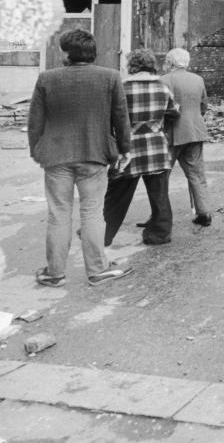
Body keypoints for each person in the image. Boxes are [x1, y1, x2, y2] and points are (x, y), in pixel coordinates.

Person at [28, 29, 134, 287]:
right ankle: (97, 269)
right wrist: (125, 149)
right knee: (93, 214)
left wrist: (37, 150)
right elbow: (121, 117)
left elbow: (35, 123)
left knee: (58, 214)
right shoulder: (110, 77)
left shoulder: (46, 78)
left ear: (66, 53)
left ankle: (54, 274)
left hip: (56, 158)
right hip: (95, 155)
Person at [103, 49, 180, 246]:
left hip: (128, 147)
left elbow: (112, 117)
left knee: (117, 194)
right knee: (159, 193)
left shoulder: (121, 88)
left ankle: (103, 234)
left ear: (132, 66)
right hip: (156, 146)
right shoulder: (163, 87)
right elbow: (173, 112)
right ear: (151, 65)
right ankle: (160, 233)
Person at [160, 47, 213, 227]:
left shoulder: (164, 80)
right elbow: (204, 105)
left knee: (161, 177)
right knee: (197, 174)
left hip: (171, 134)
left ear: (170, 62)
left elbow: (161, 109)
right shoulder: (198, 79)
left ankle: (161, 217)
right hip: (195, 131)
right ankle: (204, 212)